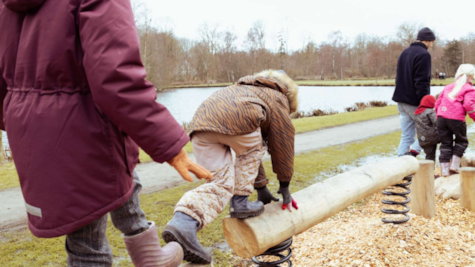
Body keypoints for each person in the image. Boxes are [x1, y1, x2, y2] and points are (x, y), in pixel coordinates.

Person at [0, 0, 212, 266]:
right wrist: (170, 145)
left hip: (31, 130)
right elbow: (116, 77)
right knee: (88, 244)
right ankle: (150, 256)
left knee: (113, 175)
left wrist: (25, 124)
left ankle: (148, 252)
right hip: (79, 127)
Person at [162, 70, 299, 264]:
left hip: (200, 127)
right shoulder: (278, 97)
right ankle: (240, 202)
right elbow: (283, 143)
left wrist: (261, 188)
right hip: (238, 122)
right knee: (255, 147)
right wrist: (284, 186)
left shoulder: (241, 88)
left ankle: (183, 222)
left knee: (220, 183)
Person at [392, 27, 436, 157]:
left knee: (406, 135)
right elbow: (421, 81)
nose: (432, 45)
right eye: (432, 42)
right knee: (431, 131)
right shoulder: (424, 54)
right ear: (428, 41)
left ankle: (400, 165)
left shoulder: (405, 52)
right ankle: (412, 154)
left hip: (401, 101)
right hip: (414, 102)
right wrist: (425, 104)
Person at [435, 64, 475, 176]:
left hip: (442, 118)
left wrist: (439, 115)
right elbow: (469, 105)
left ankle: (444, 170)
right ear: (472, 76)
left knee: (445, 143)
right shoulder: (469, 89)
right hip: (456, 119)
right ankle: (454, 166)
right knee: (461, 141)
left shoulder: (448, 86)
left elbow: (437, 103)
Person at [414, 95, 440, 162]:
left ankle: (429, 171)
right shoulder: (430, 111)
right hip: (433, 137)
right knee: (448, 140)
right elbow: (437, 123)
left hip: (423, 140)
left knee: (429, 157)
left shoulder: (416, 113)